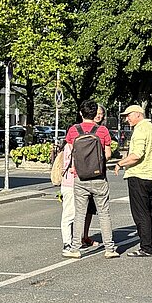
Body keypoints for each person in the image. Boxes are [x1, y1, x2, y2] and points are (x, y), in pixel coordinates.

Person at [62, 100, 118, 259]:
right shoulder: (103, 131)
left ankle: (75, 248)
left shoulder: (73, 130)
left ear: (81, 113)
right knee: (104, 213)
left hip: (80, 177)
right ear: (95, 114)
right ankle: (109, 249)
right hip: (99, 177)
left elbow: (73, 152)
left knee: (79, 213)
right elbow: (107, 154)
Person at [113, 105, 152, 257]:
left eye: (128, 115)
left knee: (140, 213)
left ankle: (146, 247)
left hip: (138, 174)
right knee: (150, 211)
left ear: (138, 114)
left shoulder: (141, 130)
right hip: (151, 175)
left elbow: (137, 154)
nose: (127, 119)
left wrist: (120, 163)